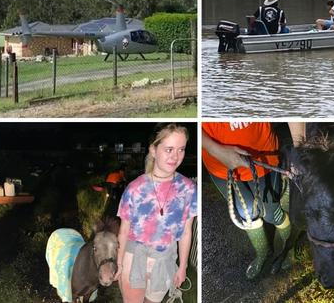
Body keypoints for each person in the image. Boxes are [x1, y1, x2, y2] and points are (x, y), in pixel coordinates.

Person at [201, 122, 305, 280]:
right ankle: (262, 254)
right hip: (220, 164)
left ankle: (287, 250)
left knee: (273, 214)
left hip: (264, 155)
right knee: (248, 214)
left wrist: (299, 153)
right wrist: (214, 149)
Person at [115, 124, 196, 303]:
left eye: (181, 149)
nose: (175, 157)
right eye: (169, 149)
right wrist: (119, 264)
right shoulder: (135, 188)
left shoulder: (188, 189)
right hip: (134, 259)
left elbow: (186, 232)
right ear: (153, 150)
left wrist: (182, 267)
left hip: (165, 259)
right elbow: (124, 230)